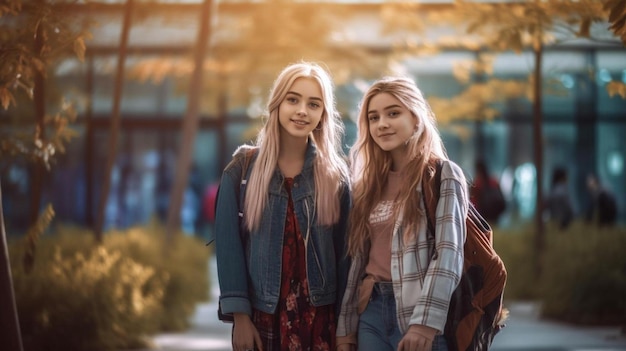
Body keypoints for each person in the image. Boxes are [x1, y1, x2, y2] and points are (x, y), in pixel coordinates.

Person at [214, 61, 351, 351]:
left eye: (313, 104)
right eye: (293, 99)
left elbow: (346, 257)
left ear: (322, 114)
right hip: (262, 318)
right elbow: (228, 247)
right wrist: (240, 317)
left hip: (321, 321)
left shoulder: (334, 176)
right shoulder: (242, 170)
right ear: (277, 104)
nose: (302, 110)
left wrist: (345, 326)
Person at [336, 76, 468, 351]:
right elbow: (357, 263)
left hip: (416, 313)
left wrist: (424, 324)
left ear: (416, 118)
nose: (382, 123)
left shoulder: (442, 175)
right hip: (370, 311)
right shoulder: (366, 185)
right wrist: (345, 330)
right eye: (373, 117)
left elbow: (448, 254)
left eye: (393, 113)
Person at [470, 159, 506, 224]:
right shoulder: (494, 181)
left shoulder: (477, 183)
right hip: (495, 213)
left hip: (482, 215)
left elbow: (474, 201)